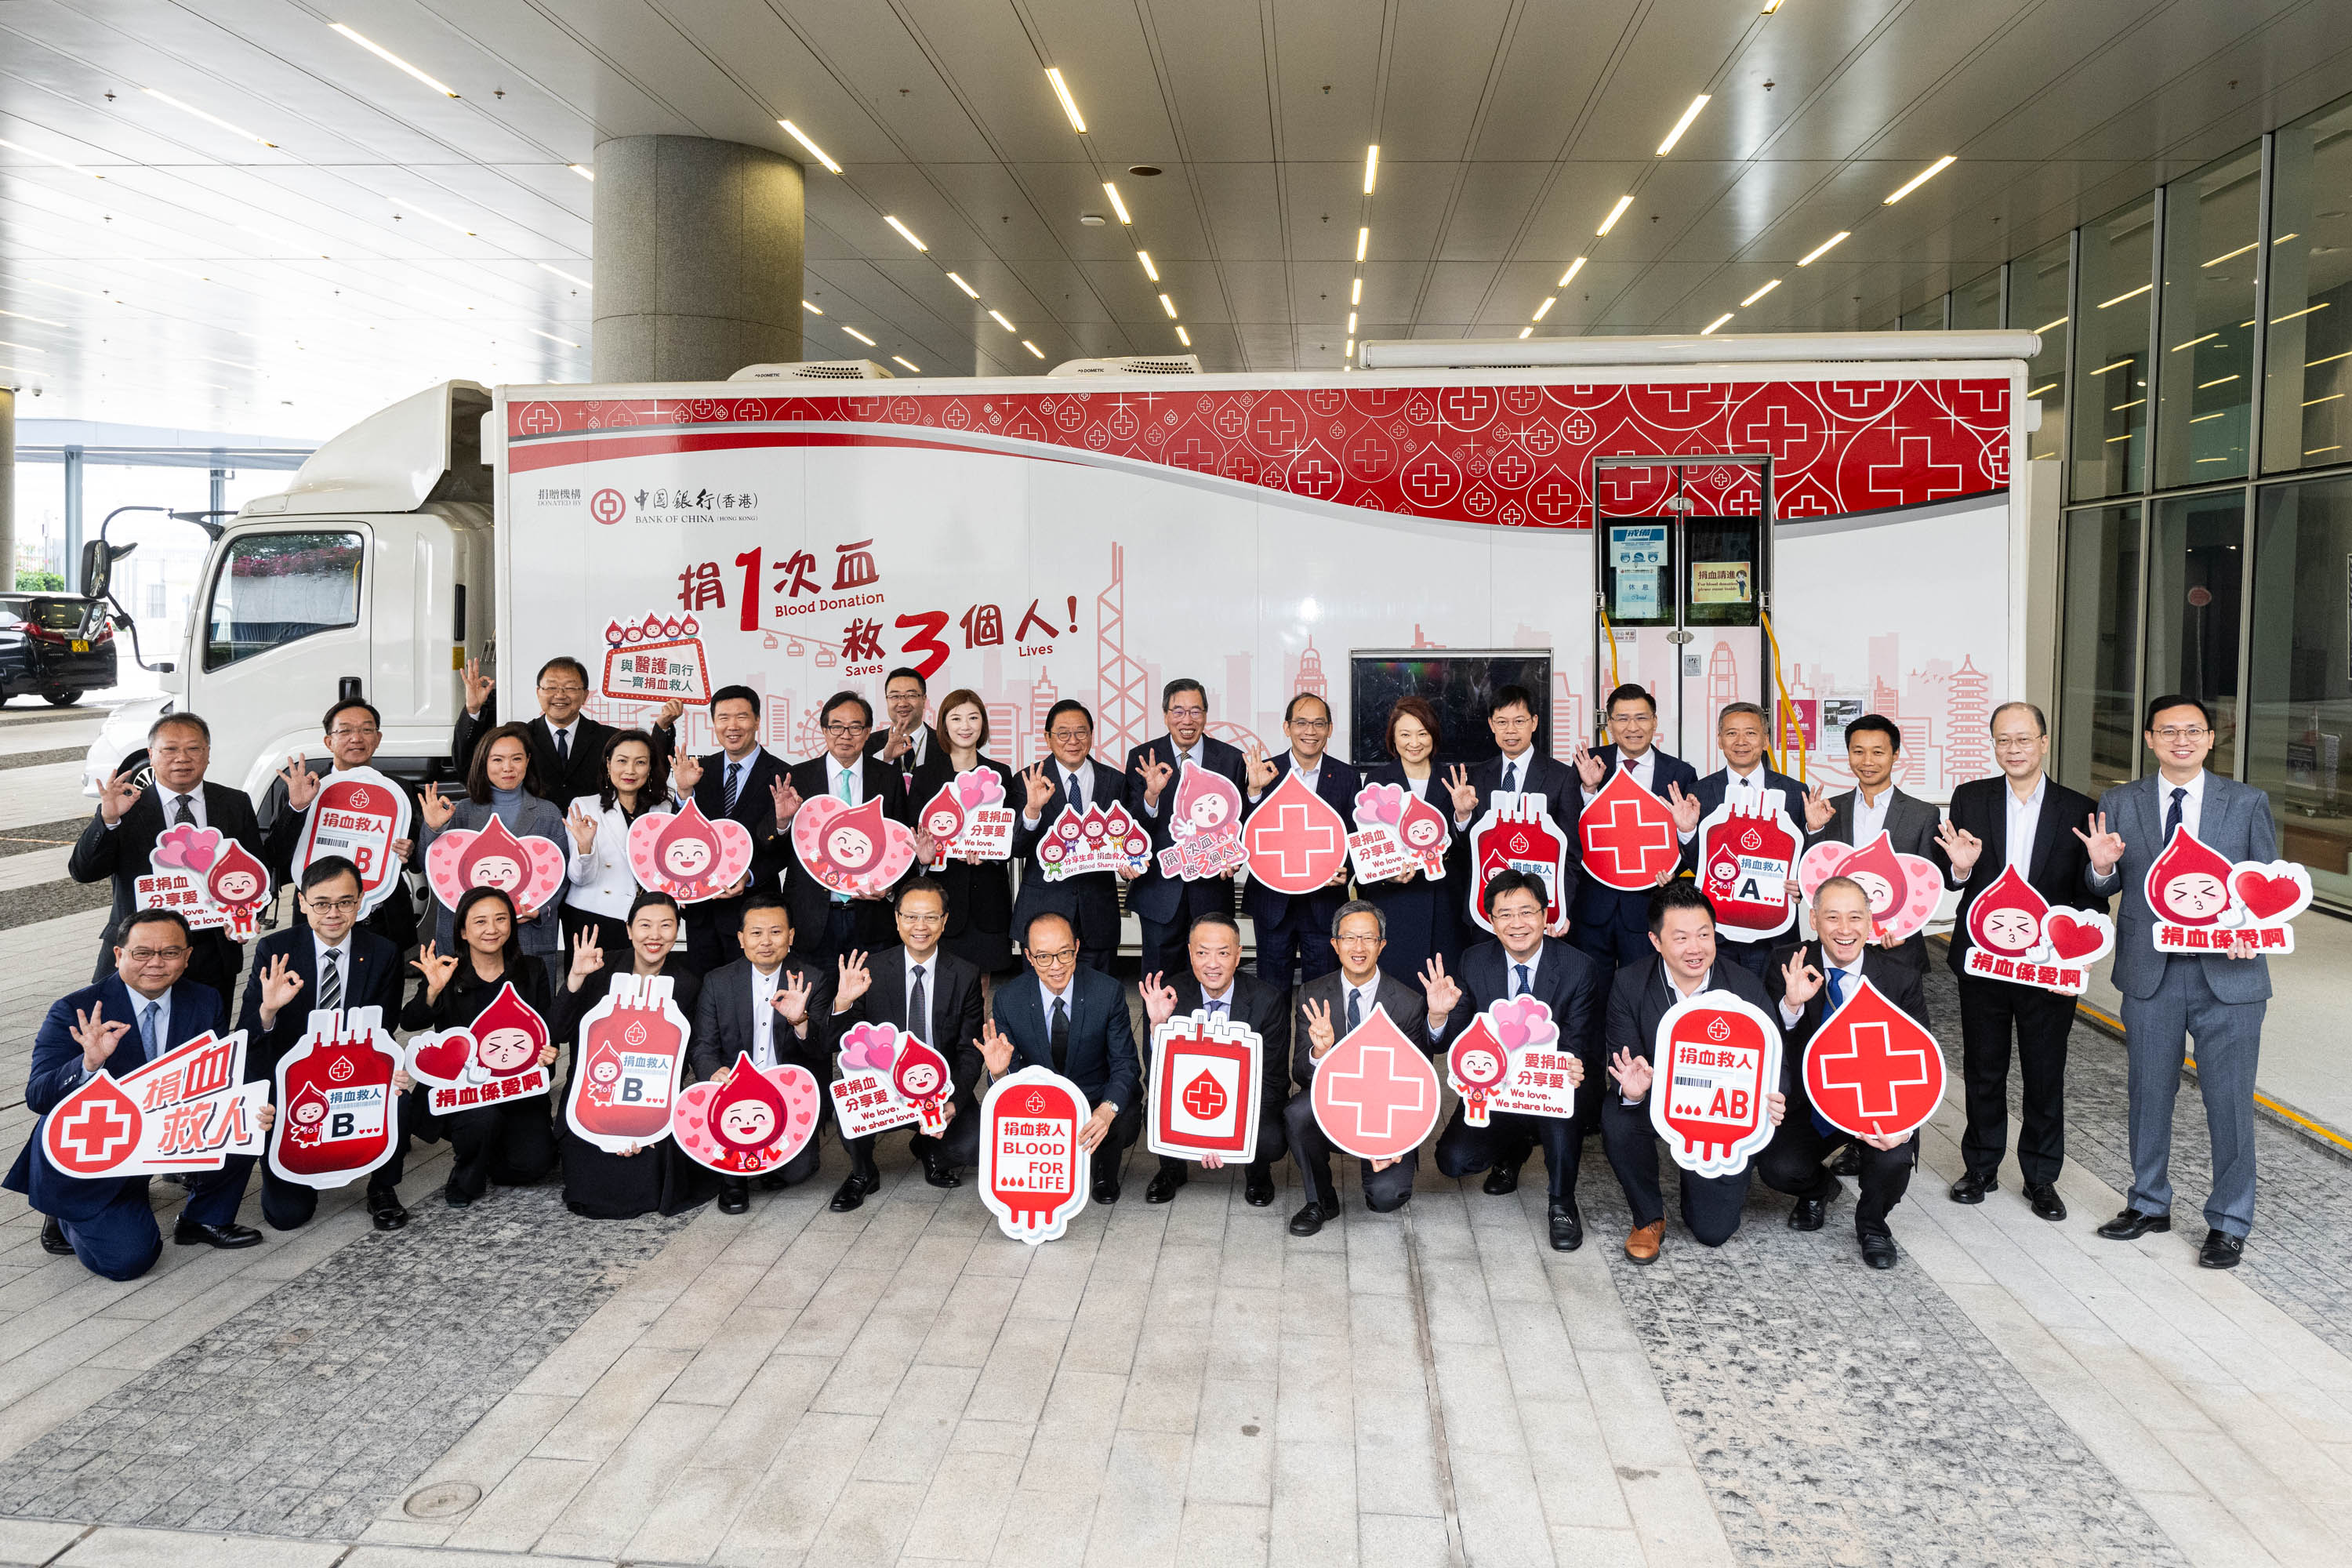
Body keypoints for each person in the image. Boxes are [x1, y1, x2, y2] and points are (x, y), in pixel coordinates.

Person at [2081, 695, 2274, 1269]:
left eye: (2193, 730)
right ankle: (2148, 1203)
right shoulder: (2120, 802)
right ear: (2149, 739)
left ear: (2212, 738)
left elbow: (2268, 887)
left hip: (2230, 977)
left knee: (2230, 1102)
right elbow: (2101, 888)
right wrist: (2101, 866)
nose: (2181, 740)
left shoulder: (2246, 802)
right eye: (2168, 731)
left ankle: (2229, 1222)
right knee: (2148, 1093)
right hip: (2152, 974)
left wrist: (2252, 931)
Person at [6, 909, 266, 1279]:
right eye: (142, 953)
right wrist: (88, 1064)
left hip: (165, 1132)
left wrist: (246, 1106)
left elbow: (220, 1077)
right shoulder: (75, 1009)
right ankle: (65, 1213)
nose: (156, 963)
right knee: (128, 1261)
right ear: (118, 955)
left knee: (249, 1116)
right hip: (98, 1148)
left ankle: (203, 1219)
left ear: (187, 957)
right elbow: (38, 1097)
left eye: (170, 952)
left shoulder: (204, 1000)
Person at [1930, 701, 2103, 1218]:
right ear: (1994, 746)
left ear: (2044, 743)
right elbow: (1951, 873)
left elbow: (2091, 892)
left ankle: (2041, 1178)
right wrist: (1961, 870)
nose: (2014, 749)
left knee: (2044, 1073)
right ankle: (1981, 1166)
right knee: (1984, 1068)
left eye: (2024, 739)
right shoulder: (1971, 798)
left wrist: (2081, 949)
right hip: (1984, 961)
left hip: (2048, 965)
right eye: (2003, 740)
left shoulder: (2079, 808)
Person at [1598, 881, 1788, 1262]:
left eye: (1704, 935)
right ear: (1656, 941)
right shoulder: (1630, 983)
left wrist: (1775, 1096)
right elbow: (1625, 1056)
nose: (1695, 948)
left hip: (1722, 1113)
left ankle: (1702, 1189)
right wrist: (1633, 1089)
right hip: (1658, 1099)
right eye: (1681, 937)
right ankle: (1648, 1217)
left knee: (1712, 1231)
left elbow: (1775, 1058)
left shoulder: (1744, 986)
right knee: (1618, 1116)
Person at [1421, 869, 1602, 1251]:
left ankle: (1562, 1203)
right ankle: (1515, 1147)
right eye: (1505, 914)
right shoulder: (1474, 961)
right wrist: (1438, 1016)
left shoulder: (1578, 967)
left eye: (1526, 912)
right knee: (1453, 1161)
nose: (1517, 923)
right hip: (1496, 1089)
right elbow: (1455, 1041)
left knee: (1562, 1108)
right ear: (1491, 920)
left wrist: (1572, 1065)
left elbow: (1577, 1039)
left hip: (1549, 1087)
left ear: (1545, 915)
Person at [238, 855, 411, 1232]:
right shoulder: (275, 950)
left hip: (354, 1074)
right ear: (302, 902)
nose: (333, 913)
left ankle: (382, 1186)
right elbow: (247, 1036)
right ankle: (302, 1164)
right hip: (290, 1083)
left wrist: (388, 1070)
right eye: (321, 903)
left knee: (399, 1094)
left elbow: (385, 1026)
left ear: (360, 901)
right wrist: (268, 1009)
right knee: (287, 1216)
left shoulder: (383, 951)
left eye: (345, 902)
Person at [1763, 877, 1927, 1269]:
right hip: (1808, 1102)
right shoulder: (1787, 963)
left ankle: (1872, 1226)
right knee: (1777, 1167)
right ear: (1813, 920)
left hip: (1875, 1101)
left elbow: (1922, 1059)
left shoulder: (1900, 977)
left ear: (1870, 921)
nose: (1845, 929)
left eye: (1855, 917)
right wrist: (1791, 1005)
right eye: (1832, 917)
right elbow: (1766, 1042)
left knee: (1893, 1157)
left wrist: (1905, 1127)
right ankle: (1819, 1190)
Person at [71, 711, 268, 998]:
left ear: (208, 753)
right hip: (139, 954)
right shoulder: (126, 807)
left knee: (207, 1027)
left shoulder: (234, 803)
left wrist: (245, 915)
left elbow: (257, 871)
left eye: (193, 748)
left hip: (211, 954)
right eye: (170, 749)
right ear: (151, 755)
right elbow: (83, 872)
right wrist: (108, 819)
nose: (182, 758)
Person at [550, 891, 720, 1219]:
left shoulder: (687, 983)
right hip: (591, 1099)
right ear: (629, 930)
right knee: (589, 1175)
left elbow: (680, 1059)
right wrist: (575, 978)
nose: (655, 935)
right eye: (645, 925)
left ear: (677, 931)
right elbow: (558, 1030)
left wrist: (651, 1124)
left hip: (652, 1103)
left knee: (649, 1168)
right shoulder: (599, 968)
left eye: (666, 926)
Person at [825, 877, 986, 1210]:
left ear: (945, 921)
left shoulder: (965, 974)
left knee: (975, 1146)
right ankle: (863, 1172)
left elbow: (970, 1050)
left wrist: (953, 1102)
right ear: (897, 919)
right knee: (847, 1101)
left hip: (938, 1088)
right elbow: (836, 1043)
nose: (920, 926)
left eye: (930, 917)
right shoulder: (872, 969)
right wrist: (842, 1002)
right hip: (883, 1086)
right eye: (911, 916)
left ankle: (930, 1149)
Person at [402, 887, 560, 1207]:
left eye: (501, 919)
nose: (492, 929)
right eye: (480, 921)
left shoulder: (532, 970)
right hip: (465, 1090)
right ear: (463, 930)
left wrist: (549, 1055)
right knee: (482, 1120)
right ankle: (466, 1172)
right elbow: (409, 1021)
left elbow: (546, 1035)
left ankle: (489, 1151)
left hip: (517, 1088)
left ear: (511, 924)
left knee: (533, 1165)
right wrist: (432, 991)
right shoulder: (448, 971)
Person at [1284, 902, 1436, 1235]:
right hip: (1334, 1102)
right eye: (1349, 937)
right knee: (1297, 1112)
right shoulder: (1312, 993)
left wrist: (1397, 1140)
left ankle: (1378, 1174)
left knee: (1386, 1197)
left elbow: (1419, 1084)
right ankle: (1319, 1201)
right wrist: (1320, 1051)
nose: (1359, 947)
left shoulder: (1408, 1002)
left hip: (1385, 1113)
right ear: (1335, 944)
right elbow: (1300, 1073)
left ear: (1382, 945)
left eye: (1369, 938)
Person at [979, 911, 1142, 1202]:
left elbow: (1126, 1064)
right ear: (1029, 957)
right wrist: (1000, 1073)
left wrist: (1106, 1110)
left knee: (1125, 1113)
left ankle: (1104, 1169)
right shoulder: (1009, 999)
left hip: (1094, 1098)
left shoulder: (1107, 992)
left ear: (1077, 948)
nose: (1056, 966)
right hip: (1040, 1105)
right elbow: (1007, 1083)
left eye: (1064, 953)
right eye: (1044, 957)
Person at [690, 891, 833, 1212]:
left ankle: (766, 1165)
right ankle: (733, 1180)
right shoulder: (717, 981)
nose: (766, 941)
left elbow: (822, 1050)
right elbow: (703, 1045)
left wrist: (800, 1021)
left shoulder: (813, 980)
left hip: (786, 1094)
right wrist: (713, 1073)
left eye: (776, 932)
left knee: (800, 1170)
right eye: (756, 933)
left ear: (791, 936)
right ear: (741, 939)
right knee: (725, 1142)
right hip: (732, 1091)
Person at [1138, 912, 1292, 1207]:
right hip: (1187, 1100)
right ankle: (1172, 1170)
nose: (1212, 964)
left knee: (1271, 1136)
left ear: (1238, 955)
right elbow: (1156, 1079)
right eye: (1202, 953)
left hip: (1244, 1107)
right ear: (1190, 954)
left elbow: (1273, 1083)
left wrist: (1221, 1130)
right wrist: (1157, 1026)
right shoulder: (1171, 995)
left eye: (1223, 953)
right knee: (1153, 1113)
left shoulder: (1267, 1000)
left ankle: (1258, 1171)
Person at [266, 697, 423, 950]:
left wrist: (410, 852)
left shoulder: (399, 791)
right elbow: (276, 855)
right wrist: (297, 808)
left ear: (378, 738)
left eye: (366, 730)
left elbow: (417, 858)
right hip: (320, 918)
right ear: (328, 741)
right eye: (345, 731)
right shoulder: (304, 789)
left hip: (384, 919)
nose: (356, 738)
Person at [1668, 701, 1809, 981]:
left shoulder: (1795, 793)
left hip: (1775, 933)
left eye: (1751, 733)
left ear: (1765, 740)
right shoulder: (1699, 792)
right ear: (1720, 740)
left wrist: (1802, 885)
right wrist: (1687, 831)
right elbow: (1699, 866)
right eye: (1732, 733)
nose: (1741, 741)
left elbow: (1804, 856)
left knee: (1777, 1000)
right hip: (1718, 932)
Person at [416, 722, 571, 974]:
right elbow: (429, 867)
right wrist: (433, 828)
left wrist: (541, 909)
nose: (508, 768)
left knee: (528, 994)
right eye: (497, 759)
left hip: (526, 933)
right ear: (483, 762)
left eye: (516, 759)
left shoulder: (548, 813)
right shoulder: (460, 812)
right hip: (468, 935)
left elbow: (561, 875)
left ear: (528, 761)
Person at [1569, 684, 1698, 976]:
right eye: (1623, 718)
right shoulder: (1588, 764)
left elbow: (1689, 839)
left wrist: (1673, 868)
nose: (1632, 727)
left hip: (1649, 907)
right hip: (1592, 907)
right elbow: (1569, 828)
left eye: (1641, 718)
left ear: (1655, 721)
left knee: (1643, 988)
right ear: (1609, 723)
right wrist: (1589, 789)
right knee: (1589, 989)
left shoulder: (1680, 773)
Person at [1125, 679, 1250, 980]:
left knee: (1212, 979)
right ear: (1165, 714)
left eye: (1195, 711)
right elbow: (1130, 829)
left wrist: (1234, 856)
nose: (1187, 720)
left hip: (1211, 890)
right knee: (1159, 983)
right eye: (1178, 711)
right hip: (1158, 892)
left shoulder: (1231, 759)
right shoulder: (1143, 757)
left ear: (1206, 714)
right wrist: (1151, 797)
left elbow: (1240, 821)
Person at [1801, 715, 1940, 975]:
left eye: (1877, 752)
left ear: (1895, 755)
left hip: (1897, 947)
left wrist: (1905, 929)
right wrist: (1815, 829)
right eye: (1858, 752)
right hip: (1840, 943)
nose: (1867, 761)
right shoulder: (1829, 809)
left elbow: (1926, 884)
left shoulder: (1922, 814)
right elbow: (1813, 871)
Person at [1243, 692, 1363, 990]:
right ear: (1287, 727)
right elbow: (1243, 832)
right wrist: (1254, 793)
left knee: (1322, 990)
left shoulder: (1347, 777)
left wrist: (1348, 870)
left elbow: (1356, 835)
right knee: (1271, 991)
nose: (1310, 731)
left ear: (1330, 729)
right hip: (1273, 903)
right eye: (1301, 723)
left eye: (1319, 724)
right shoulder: (1264, 772)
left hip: (1324, 903)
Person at [784, 691, 910, 967]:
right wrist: (782, 823)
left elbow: (903, 843)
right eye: (836, 727)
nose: (845, 735)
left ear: (867, 732)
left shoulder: (888, 777)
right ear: (824, 730)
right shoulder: (798, 777)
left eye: (855, 727)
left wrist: (890, 887)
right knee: (813, 992)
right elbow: (776, 848)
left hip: (871, 918)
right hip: (813, 919)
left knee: (873, 992)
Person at [1356, 695, 1473, 984]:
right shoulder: (1377, 780)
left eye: (1422, 733)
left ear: (1433, 735)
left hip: (1445, 905)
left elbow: (1469, 850)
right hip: (1396, 906)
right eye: (1405, 734)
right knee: (1398, 992)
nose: (1414, 742)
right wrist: (1388, 875)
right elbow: (1367, 848)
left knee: (1446, 991)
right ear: (1393, 739)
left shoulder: (1454, 779)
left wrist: (1463, 816)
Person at [454, 654, 678, 803]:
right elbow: (469, 767)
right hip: (535, 834)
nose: (560, 695)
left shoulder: (609, 738)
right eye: (551, 687)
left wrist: (663, 728)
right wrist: (473, 709)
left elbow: (652, 772)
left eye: (570, 688)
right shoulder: (519, 735)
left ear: (585, 695)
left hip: (595, 836)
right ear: (538, 693)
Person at [678, 685, 793, 973]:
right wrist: (684, 792)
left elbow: (787, 846)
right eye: (723, 718)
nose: (732, 726)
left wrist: (749, 875)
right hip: (703, 911)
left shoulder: (784, 774)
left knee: (751, 990)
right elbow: (680, 836)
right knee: (703, 989)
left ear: (757, 720)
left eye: (742, 717)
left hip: (755, 912)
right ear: (713, 723)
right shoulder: (698, 771)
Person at [1011, 700, 1130, 972]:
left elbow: (1125, 840)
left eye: (1081, 732)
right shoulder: (1028, 780)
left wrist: (1129, 863)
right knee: (1041, 995)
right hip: (1042, 911)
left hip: (1098, 913)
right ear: (1048, 738)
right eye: (1063, 733)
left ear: (1091, 734)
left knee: (1098, 992)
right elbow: (1017, 848)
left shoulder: (1114, 781)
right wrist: (1033, 810)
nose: (1073, 741)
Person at [906, 688, 1017, 975]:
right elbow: (912, 835)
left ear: (983, 724)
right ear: (944, 725)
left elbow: (1012, 837)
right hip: (940, 899)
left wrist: (991, 854)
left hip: (988, 900)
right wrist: (923, 859)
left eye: (973, 717)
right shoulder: (925, 776)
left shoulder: (1001, 774)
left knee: (980, 985)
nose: (965, 726)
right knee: (939, 983)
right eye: (956, 718)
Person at [1454, 684, 1580, 929]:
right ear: (1491, 725)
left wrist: (1561, 910)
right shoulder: (1476, 776)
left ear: (1534, 722)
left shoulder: (1561, 777)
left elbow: (1571, 855)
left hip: (1536, 911)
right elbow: (1466, 850)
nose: (1510, 730)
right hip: (1485, 909)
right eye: (1502, 722)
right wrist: (1463, 815)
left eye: (1519, 721)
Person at [564, 729, 678, 959]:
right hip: (595, 917)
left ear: (650, 767)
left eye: (640, 762)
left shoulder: (665, 808)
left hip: (648, 921)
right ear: (608, 764)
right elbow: (580, 878)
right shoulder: (585, 806)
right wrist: (585, 847)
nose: (630, 770)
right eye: (622, 761)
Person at [866, 666, 938, 789]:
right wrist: (885, 759)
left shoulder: (946, 742)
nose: (903, 703)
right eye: (895, 696)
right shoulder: (868, 744)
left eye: (911, 695)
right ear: (887, 700)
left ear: (924, 699)